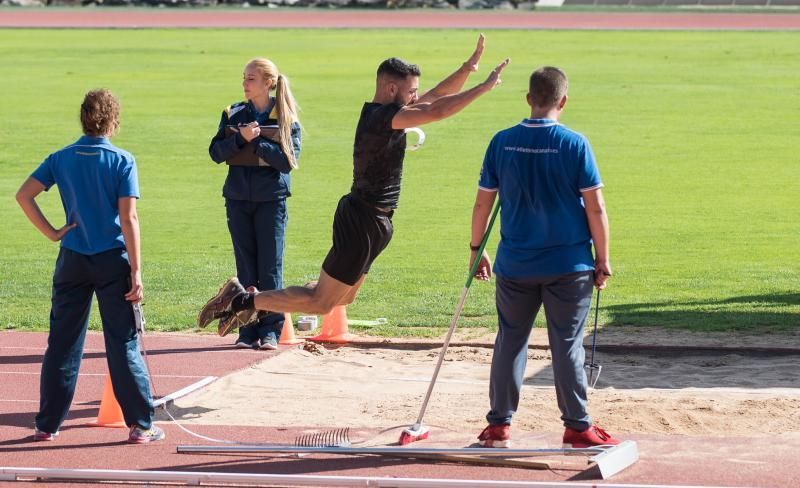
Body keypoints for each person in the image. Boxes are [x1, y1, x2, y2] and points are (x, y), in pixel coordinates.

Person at [198, 35, 509, 336]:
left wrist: (467, 69)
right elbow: (436, 109)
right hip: (361, 219)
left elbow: (436, 96)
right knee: (322, 302)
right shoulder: (380, 118)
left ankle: (254, 297)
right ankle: (243, 300)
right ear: (391, 88)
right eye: (411, 90)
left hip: (377, 221)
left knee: (341, 297)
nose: (417, 95)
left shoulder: (394, 112)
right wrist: (483, 88)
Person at [470, 66, 620, 449]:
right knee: (566, 344)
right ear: (563, 101)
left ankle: (499, 423)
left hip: (515, 264)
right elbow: (596, 206)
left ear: (528, 99)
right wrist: (603, 258)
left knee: (510, 340)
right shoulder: (575, 144)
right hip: (568, 266)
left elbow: (483, 202)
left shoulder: (502, 141)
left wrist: (476, 250)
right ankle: (577, 425)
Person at [15, 89, 164, 444]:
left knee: (63, 342)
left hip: (72, 259)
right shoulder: (122, 160)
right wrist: (137, 271)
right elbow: (129, 218)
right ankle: (141, 426)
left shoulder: (61, 157)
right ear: (114, 120)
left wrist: (53, 232)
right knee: (122, 341)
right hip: (112, 259)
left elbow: (24, 195)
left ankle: (46, 425)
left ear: (82, 117)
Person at [207, 58, 302, 350]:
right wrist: (240, 140)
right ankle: (246, 330)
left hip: (271, 201)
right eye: (244, 78)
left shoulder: (285, 116)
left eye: (251, 78)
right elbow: (215, 152)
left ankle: (271, 330)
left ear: (268, 83)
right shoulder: (232, 113)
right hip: (237, 199)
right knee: (245, 266)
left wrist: (257, 141)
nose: (245, 83)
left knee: (270, 268)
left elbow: (288, 162)